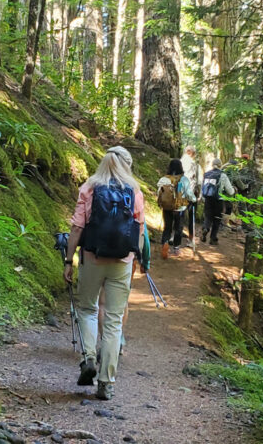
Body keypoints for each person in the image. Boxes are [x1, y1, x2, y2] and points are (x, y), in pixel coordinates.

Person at [63, 146, 145, 401]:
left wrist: (69, 260)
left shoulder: (89, 187)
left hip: (91, 258)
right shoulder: (134, 190)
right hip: (122, 262)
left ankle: (88, 357)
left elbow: (77, 228)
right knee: (113, 319)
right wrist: (135, 259)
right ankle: (106, 383)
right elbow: (139, 231)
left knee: (87, 309)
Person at [157, 158, 195, 258]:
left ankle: (165, 244)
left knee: (167, 227)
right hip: (180, 208)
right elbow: (189, 194)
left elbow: (159, 192)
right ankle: (176, 249)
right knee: (178, 228)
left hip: (167, 207)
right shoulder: (184, 179)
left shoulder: (163, 179)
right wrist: (194, 199)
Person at [201, 159, 235, 245]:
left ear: (212, 165)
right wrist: (234, 190)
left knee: (208, 216)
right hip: (218, 200)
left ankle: (206, 228)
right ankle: (213, 239)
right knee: (217, 219)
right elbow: (230, 191)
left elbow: (203, 187)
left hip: (208, 199)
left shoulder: (206, 174)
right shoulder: (222, 175)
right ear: (220, 165)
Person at [180, 146, 202, 246]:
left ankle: (175, 236)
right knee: (191, 215)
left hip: (180, 192)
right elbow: (199, 181)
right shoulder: (195, 165)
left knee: (179, 214)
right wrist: (200, 194)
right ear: (190, 153)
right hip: (191, 192)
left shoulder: (179, 162)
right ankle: (191, 240)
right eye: (194, 153)